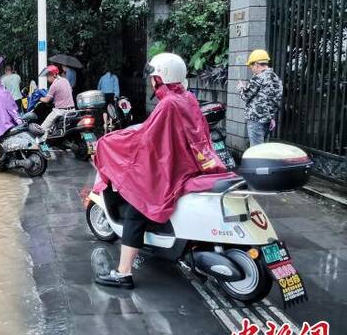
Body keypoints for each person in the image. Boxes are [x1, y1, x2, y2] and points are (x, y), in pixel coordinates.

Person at [92, 53, 230, 289]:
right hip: (192, 163)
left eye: (153, 77)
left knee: (137, 208)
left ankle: (124, 272)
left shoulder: (168, 104)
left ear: (160, 77)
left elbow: (145, 139)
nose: (151, 82)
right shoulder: (187, 98)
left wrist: (110, 141)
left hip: (175, 168)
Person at [239, 49, 283, 147]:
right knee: (263, 150)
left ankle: (255, 163)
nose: (251, 69)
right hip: (268, 120)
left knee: (256, 150)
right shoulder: (276, 79)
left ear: (257, 64)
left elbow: (245, 96)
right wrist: (271, 117)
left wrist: (241, 88)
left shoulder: (258, 78)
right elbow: (275, 101)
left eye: (251, 66)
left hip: (256, 120)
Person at [39, 65, 75, 137]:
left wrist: (38, 98)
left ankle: (43, 145)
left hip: (60, 111)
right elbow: (70, 91)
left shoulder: (54, 85)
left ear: (54, 75)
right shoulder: (65, 80)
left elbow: (46, 100)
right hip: (72, 110)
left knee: (42, 129)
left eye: (48, 76)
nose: (47, 78)